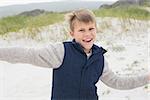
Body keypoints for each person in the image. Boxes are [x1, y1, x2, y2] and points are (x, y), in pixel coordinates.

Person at [0, 9, 149, 100]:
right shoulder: (60, 52)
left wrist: (147, 78)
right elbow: (26, 54)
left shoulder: (100, 58)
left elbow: (117, 82)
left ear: (96, 29)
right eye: (81, 30)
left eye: (91, 29)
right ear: (72, 33)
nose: (87, 34)